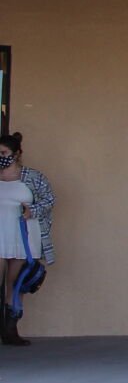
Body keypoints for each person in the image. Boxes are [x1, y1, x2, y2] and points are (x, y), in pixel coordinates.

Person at [0, 132, 45, 346]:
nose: (1, 157)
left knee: (15, 285)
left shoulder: (33, 177)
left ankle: (10, 330)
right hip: (1, 235)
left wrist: (32, 210)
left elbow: (49, 200)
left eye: (4, 153)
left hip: (22, 237)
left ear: (17, 154)